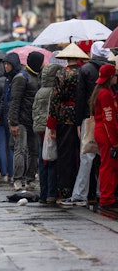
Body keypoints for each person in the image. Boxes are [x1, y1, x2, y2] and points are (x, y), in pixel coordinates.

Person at [61, 41, 112, 207]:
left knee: (86, 156)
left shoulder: (86, 70)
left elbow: (80, 98)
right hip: (106, 118)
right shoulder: (111, 70)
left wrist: (77, 121)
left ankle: (79, 194)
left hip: (88, 118)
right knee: (104, 158)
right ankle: (100, 192)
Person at [46, 43, 89, 200]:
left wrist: (51, 124)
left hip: (64, 116)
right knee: (82, 154)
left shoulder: (61, 74)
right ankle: (84, 189)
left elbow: (55, 99)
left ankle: (65, 189)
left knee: (65, 155)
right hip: (81, 115)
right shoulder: (84, 72)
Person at [9, 51, 44, 191]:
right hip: (22, 121)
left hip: (33, 121)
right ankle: (18, 179)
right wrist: (14, 123)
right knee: (21, 150)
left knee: (34, 151)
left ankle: (29, 179)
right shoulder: (21, 78)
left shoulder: (37, 77)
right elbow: (15, 101)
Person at [32, 63, 63, 204]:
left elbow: (35, 110)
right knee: (51, 159)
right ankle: (51, 193)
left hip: (39, 128)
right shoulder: (54, 91)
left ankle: (43, 193)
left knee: (42, 159)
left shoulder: (40, 91)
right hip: (49, 128)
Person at [89, 64, 118, 209]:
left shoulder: (101, 92)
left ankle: (108, 195)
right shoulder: (105, 94)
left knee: (108, 164)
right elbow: (109, 119)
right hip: (106, 133)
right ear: (111, 77)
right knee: (108, 166)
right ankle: (106, 198)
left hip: (101, 131)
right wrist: (114, 141)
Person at [0, 52, 21, 183]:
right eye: (5, 64)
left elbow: (15, 100)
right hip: (5, 116)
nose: (6, 66)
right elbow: (4, 100)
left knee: (10, 146)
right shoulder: (8, 79)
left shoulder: (16, 79)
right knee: (7, 146)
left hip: (12, 117)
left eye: (8, 64)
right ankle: (6, 173)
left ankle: (12, 173)